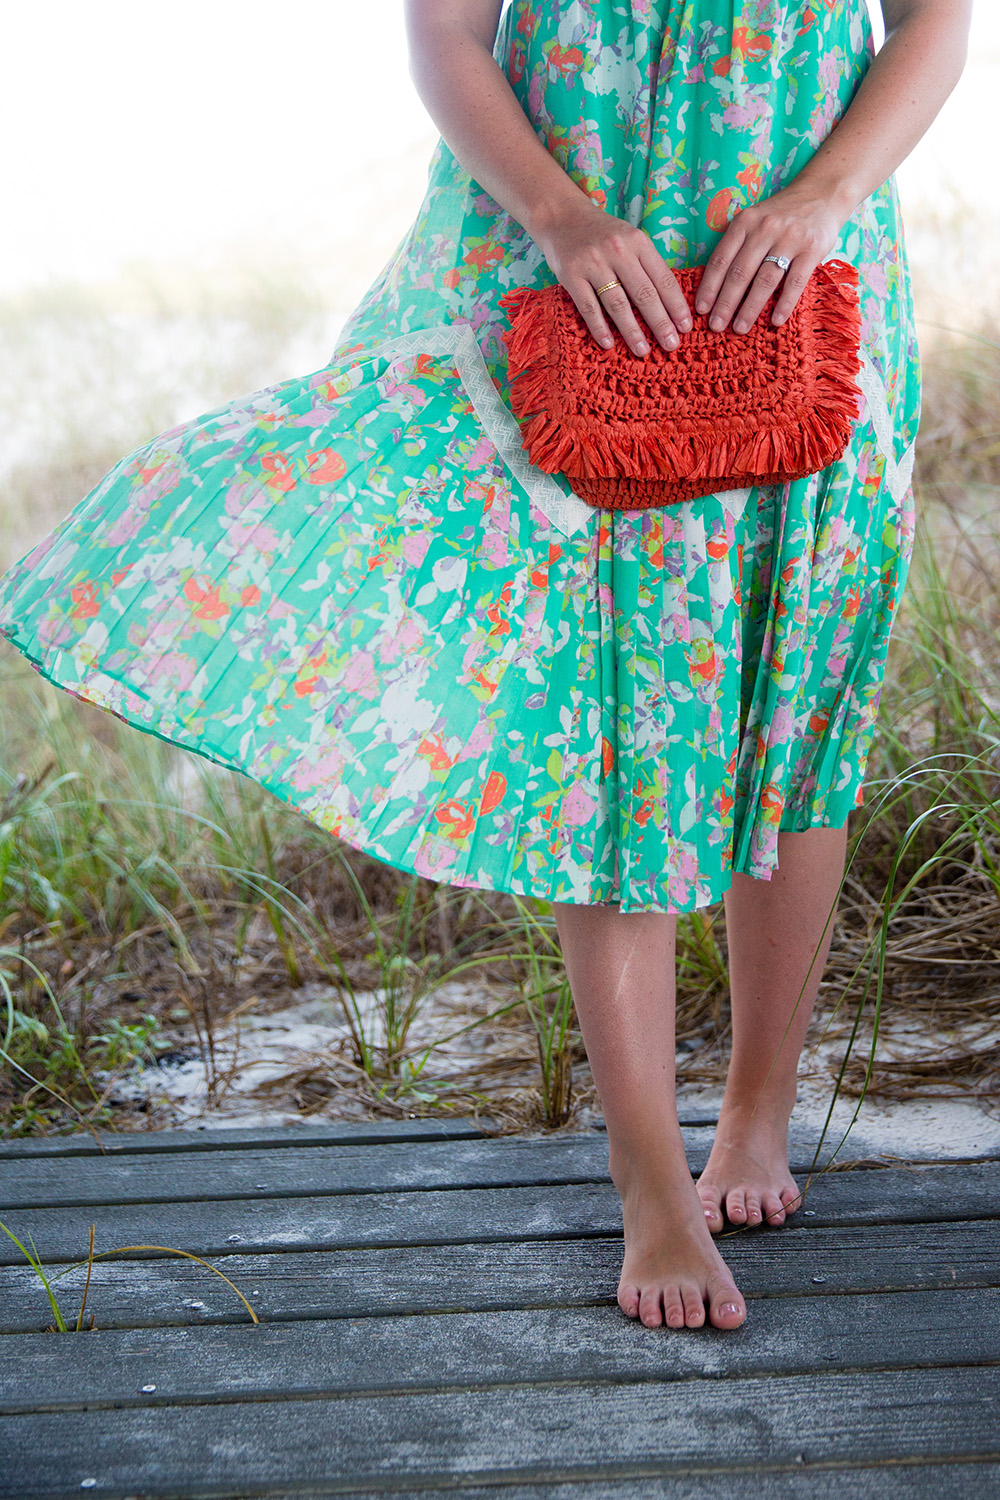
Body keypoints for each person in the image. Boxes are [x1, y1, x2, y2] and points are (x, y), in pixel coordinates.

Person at [0, 0, 970, 1330]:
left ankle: (755, 1116)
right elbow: (447, 29)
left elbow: (936, 14)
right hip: (569, 271)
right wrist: (564, 216)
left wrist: (822, 198)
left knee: (798, 700)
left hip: (807, 272)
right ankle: (648, 1182)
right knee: (608, 714)